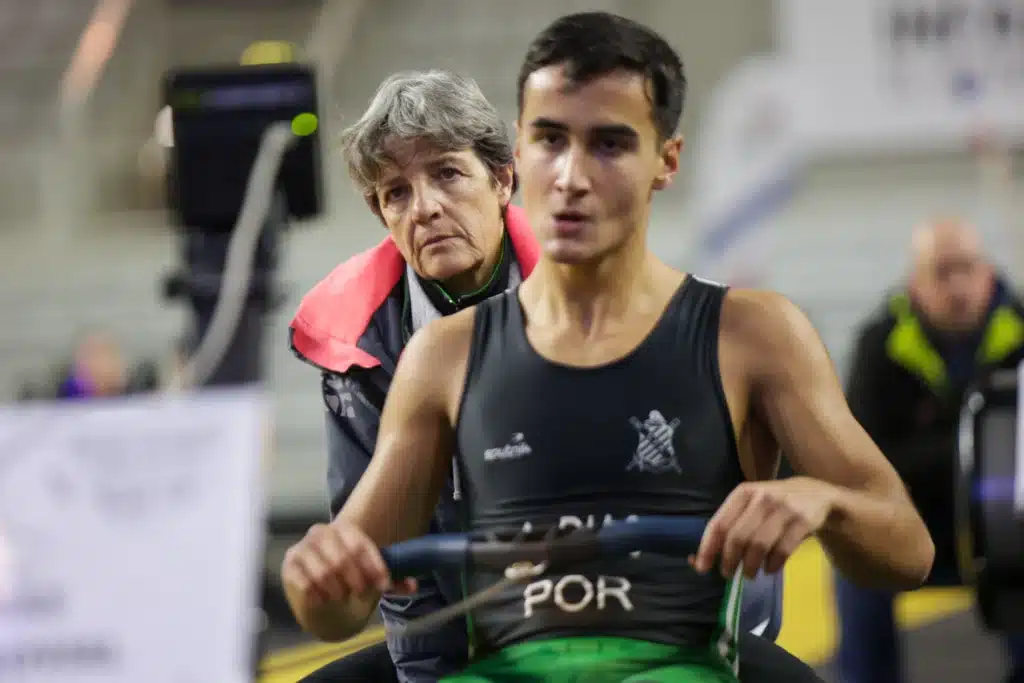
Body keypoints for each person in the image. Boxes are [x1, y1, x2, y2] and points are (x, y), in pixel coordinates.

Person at [284, 13, 933, 680]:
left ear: (666, 160)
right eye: (550, 140)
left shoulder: (753, 333)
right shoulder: (439, 356)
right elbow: (339, 604)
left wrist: (823, 501)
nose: (571, 175)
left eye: (610, 144)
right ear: (521, 158)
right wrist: (319, 570)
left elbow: (908, 551)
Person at [837, 217, 1024, 683]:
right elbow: (862, 461)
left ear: (987, 272)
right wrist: (973, 445)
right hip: (914, 527)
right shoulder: (879, 345)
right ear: (915, 281)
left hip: (1011, 525)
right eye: (942, 271)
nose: (957, 286)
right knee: (855, 556)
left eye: (967, 268)